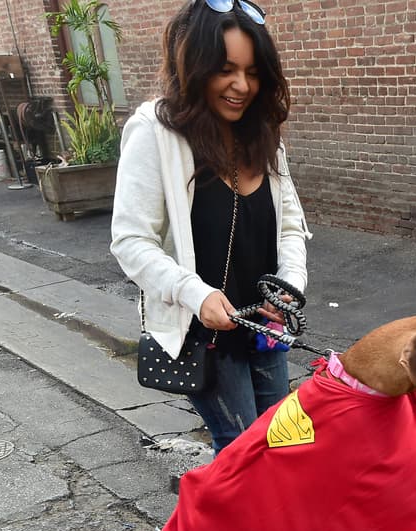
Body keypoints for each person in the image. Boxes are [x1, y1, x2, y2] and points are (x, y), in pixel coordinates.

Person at [111, 0, 311, 453]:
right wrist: (195, 295)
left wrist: (289, 289)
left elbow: (291, 229)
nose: (242, 86)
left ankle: (266, 522)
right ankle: (235, 524)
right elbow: (130, 241)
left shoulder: (262, 136)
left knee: (281, 442)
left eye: (253, 71)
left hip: (263, 327)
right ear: (194, 65)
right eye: (225, 70)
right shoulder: (155, 133)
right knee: (241, 449)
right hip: (206, 332)